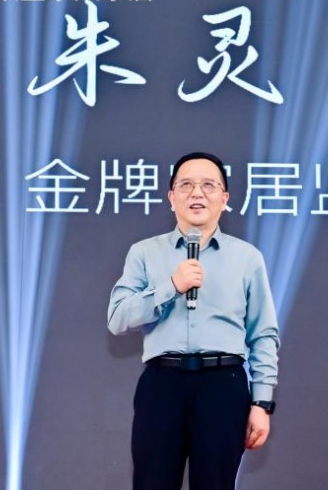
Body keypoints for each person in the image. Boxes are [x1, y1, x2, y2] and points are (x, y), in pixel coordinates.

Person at [107, 152, 280, 490]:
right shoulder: (144, 253)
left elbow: (263, 334)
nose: (197, 193)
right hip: (162, 385)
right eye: (186, 185)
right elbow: (118, 318)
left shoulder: (246, 258)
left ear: (224, 199)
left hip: (223, 385)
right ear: (172, 197)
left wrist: (261, 402)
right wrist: (171, 286)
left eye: (208, 185)